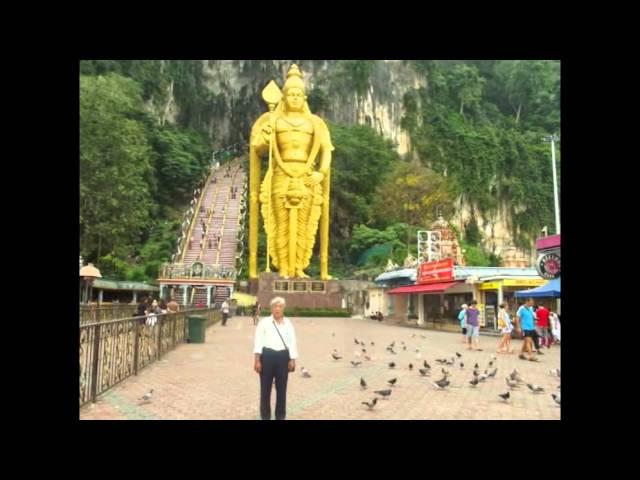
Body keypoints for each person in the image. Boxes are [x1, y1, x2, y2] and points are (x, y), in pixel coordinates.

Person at [249, 64, 334, 280]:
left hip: (307, 175)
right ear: (284, 97)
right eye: (290, 94)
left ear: (304, 97)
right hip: (281, 174)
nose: (294, 97)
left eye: (298, 94)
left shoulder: (315, 123)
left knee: (305, 225)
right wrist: (266, 138)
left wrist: (321, 173)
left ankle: (299, 267)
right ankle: (283, 268)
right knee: (281, 223)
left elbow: (326, 150)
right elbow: (257, 149)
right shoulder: (273, 121)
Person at [253, 297, 298, 420]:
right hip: (267, 357)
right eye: (275, 306)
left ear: (283, 308)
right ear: (271, 308)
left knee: (282, 389)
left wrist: (292, 359)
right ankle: (265, 416)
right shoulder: (264, 323)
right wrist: (257, 360)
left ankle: (280, 416)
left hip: (283, 358)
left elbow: (292, 342)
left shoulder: (288, 323)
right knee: (265, 389)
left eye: (280, 306)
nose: (277, 309)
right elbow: (258, 341)